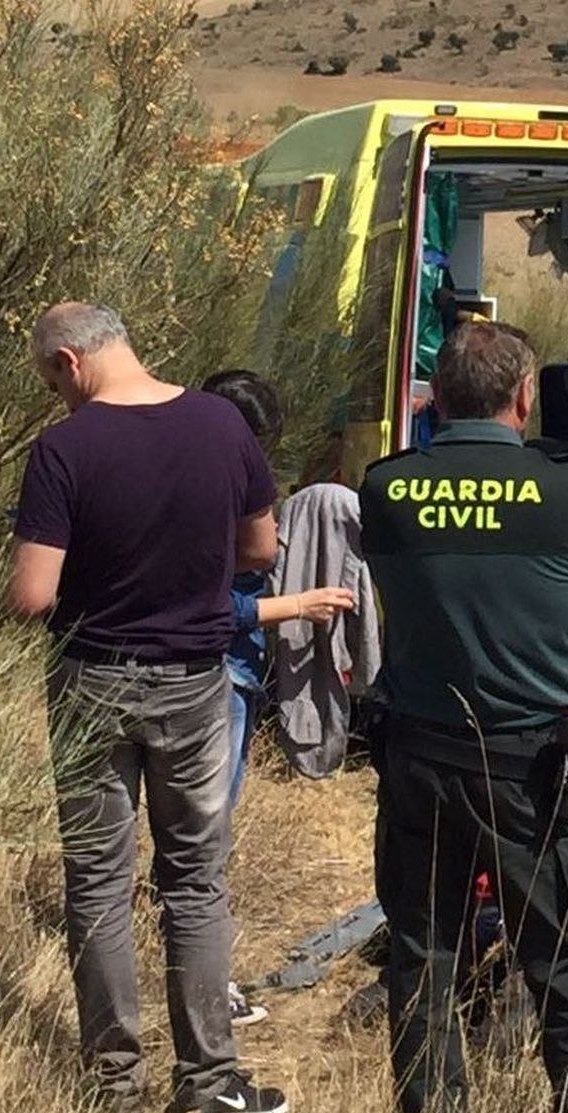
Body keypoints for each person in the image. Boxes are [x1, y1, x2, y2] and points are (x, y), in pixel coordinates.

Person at [359, 321, 568, 1113]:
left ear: (436, 402)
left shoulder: (389, 489)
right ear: (524, 399)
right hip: (536, 768)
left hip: (420, 760)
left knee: (426, 952)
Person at [6, 303, 288, 1113]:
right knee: (194, 882)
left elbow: (33, 597)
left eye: (51, 381)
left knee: (98, 881)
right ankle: (209, 1077)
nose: (57, 397)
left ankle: (114, 1082)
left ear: (68, 361)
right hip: (195, 683)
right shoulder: (219, 425)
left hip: (92, 680)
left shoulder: (64, 449)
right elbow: (261, 550)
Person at [200, 369, 355, 1029]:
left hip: (204, 678)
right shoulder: (211, 491)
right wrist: (295, 602)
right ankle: (208, 991)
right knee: (205, 842)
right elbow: (205, 607)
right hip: (216, 680)